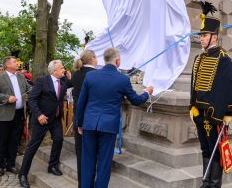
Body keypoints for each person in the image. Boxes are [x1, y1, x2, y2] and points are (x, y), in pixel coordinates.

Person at [76, 47, 153, 188]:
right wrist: (147, 93)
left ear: (104, 60)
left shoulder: (91, 76)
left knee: (87, 163)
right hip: (108, 127)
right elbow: (135, 100)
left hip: (89, 124)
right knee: (104, 165)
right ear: (117, 61)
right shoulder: (122, 79)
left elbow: (81, 102)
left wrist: (80, 123)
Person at [189, 2, 232, 188]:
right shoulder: (198, 59)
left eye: (204, 35)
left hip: (215, 117)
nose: (201, 39)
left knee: (216, 152)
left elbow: (231, 87)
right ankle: (206, 184)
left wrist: (229, 113)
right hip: (200, 116)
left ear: (214, 37)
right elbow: (194, 86)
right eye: (201, 36)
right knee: (205, 150)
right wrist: (192, 107)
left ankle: (214, 185)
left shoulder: (224, 60)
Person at [18, 60, 72, 188]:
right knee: (33, 147)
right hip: (41, 120)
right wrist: (39, 114)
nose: (64, 70)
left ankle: (52, 166)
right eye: (61, 68)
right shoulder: (42, 81)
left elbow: (74, 82)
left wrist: (70, 77)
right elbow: (32, 99)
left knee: (58, 140)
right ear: (54, 71)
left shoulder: (64, 81)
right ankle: (23, 174)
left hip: (56, 119)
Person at [0, 56, 31, 176]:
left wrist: (37, 89)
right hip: (5, 114)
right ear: (7, 65)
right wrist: (7, 98)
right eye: (14, 61)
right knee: (2, 141)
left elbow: (29, 89)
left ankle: (11, 164)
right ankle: (0, 166)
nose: (17, 63)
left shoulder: (21, 76)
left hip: (19, 114)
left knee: (14, 140)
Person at [71, 50, 97, 187]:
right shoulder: (94, 75)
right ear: (92, 59)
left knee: (80, 153)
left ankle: (82, 184)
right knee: (92, 154)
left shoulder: (76, 74)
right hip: (92, 119)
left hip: (78, 117)